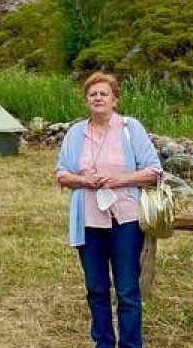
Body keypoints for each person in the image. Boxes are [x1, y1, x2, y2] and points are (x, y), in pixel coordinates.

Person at [56, 72, 162, 348]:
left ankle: (130, 344)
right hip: (88, 221)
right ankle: (102, 342)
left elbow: (154, 171)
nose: (98, 98)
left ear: (115, 99)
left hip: (125, 220)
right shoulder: (76, 133)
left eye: (104, 93)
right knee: (96, 289)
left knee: (127, 289)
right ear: (86, 101)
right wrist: (84, 180)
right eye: (93, 94)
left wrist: (122, 180)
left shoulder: (130, 128)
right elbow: (61, 175)